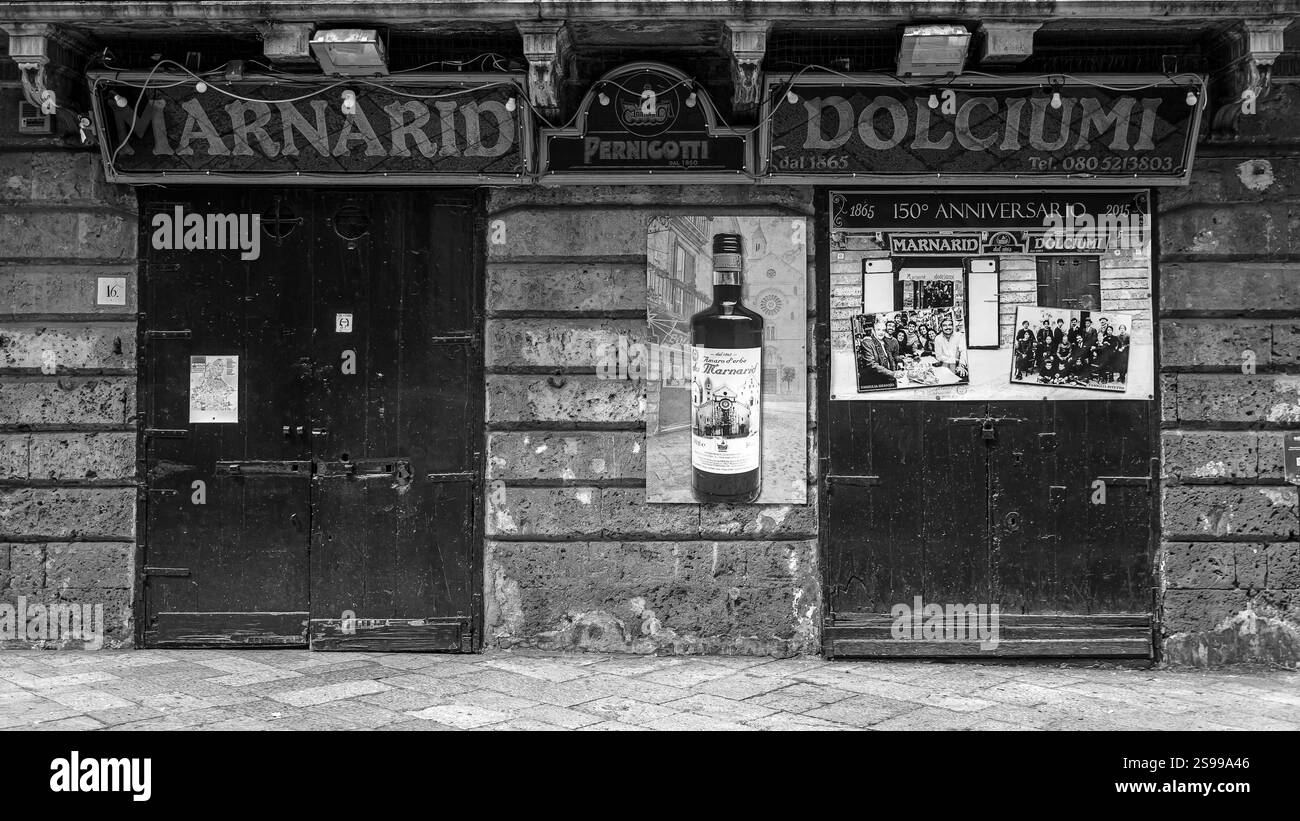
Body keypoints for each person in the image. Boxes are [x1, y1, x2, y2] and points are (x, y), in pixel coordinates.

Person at [855, 314, 901, 389]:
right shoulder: (867, 343)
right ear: (873, 330)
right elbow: (872, 365)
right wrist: (893, 374)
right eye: (878, 330)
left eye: (883, 330)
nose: (881, 332)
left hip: (887, 379)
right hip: (874, 382)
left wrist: (897, 369)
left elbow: (890, 359)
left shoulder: (885, 342)